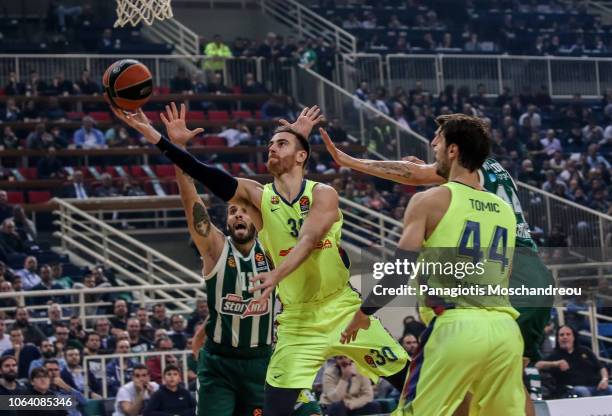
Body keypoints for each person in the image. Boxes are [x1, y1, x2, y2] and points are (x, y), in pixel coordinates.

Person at [111, 102, 409, 416]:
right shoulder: (257, 197)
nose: (271, 148)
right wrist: (156, 137)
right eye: (269, 145)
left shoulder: (323, 193)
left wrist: (276, 275)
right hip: (298, 321)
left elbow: (308, 239)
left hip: (342, 308)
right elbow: (204, 173)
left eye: (281, 144)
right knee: (275, 410)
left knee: (412, 383)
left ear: (301, 156)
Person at [321, 114, 555, 416]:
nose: (432, 144)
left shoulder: (437, 197)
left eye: (438, 139)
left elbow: (413, 175)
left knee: (435, 399)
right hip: (512, 306)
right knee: (505, 388)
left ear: (454, 149)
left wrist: (352, 162)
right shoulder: (500, 200)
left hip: (464, 318)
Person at [148, 103, 321, 416]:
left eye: (244, 210)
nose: (239, 213)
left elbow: (288, 201)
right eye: (232, 211)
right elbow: (192, 206)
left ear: (257, 218)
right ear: (226, 222)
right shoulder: (215, 248)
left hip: (263, 359)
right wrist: (179, 148)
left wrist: (296, 139)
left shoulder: (272, 250)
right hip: (220, 364)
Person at [536, 325, 612, 397]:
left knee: (609, 388)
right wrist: (556, 363)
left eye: (568, 334)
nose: (565, 337)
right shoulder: (555, 355)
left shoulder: (585, 350)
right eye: (561, 335)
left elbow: (601, 367)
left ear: (574, 337)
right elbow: (538, 365)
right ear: (558, 339)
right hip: (571, 390)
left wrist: (604, 379)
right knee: (582, 391)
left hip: (596, 386)